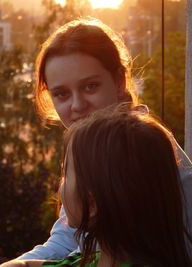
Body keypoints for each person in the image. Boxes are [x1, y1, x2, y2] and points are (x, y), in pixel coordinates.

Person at [15, 17, 192, 260]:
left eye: (90, 87)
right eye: (62, 94)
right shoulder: (90, 149)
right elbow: (68, 238)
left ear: (119, 80)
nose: (77, 106)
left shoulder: (141, 150)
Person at [0, 106, 192, 266]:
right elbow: (27, 265)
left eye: (65, 173)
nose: (59, 185)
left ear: (92, 205)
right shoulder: (90, 260)